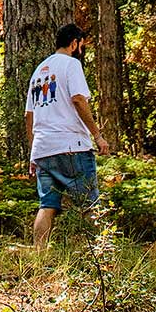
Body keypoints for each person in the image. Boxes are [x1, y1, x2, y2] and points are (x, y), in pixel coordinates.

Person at [25, 21, 107, 248]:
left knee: (47, 205)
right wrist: (97, 135)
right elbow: (78, 100)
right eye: (81, 45)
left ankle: (39, 254)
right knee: (89, 203)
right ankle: (100, 254)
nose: (82, 49)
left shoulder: (38, 72)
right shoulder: (71, 65)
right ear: (74, 43)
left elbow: (29, 116)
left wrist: (33, 152)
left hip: (43, 150)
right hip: (72, 146)